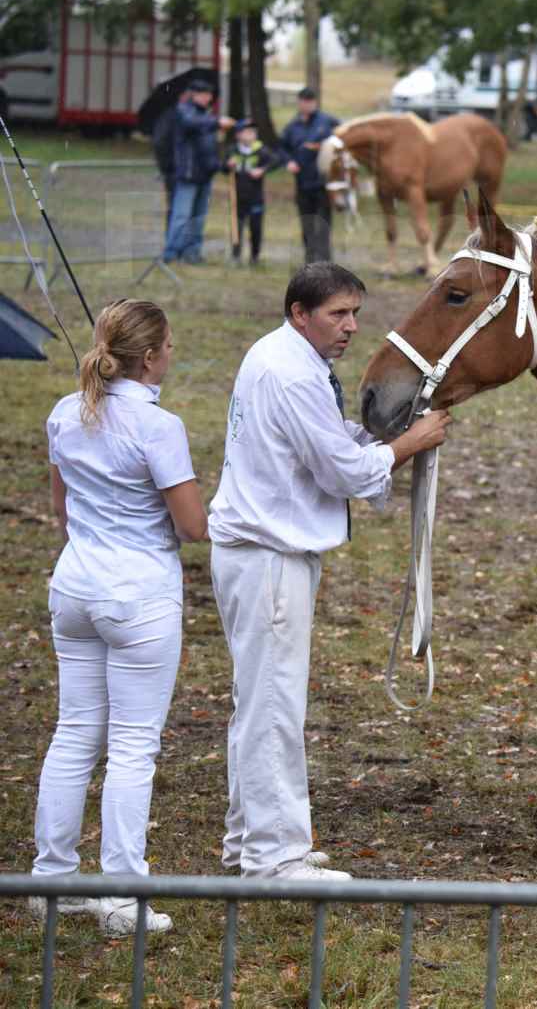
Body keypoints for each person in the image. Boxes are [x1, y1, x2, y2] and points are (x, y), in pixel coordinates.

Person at [208, 263, 451, 880]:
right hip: (269, 555)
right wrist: (409, 445)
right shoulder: (290, 372)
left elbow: (319, 442)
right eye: (338, 314)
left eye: (355, 314)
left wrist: (371, 438)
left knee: (256, 703)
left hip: (260, 551)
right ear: (299, 313)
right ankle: (274, 858)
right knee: (272, 707)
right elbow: (340, 473)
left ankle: (253, 839)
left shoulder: (282, 357)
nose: (350, 327)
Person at [32, 300, 208, 937]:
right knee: (134, 747)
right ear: (151, 356)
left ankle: (51, 879)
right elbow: (191, 526)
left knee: (74, 732)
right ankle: (121, 893)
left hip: (75, 585)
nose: (172, 355)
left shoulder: (63, 411)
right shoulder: (160, 426)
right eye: (169, 347)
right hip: (138, 595)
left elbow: (64, 509)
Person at [161, 79, 235, 265]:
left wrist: (219, 165)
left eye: (209, 95)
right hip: (188, 174)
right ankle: (171, 253)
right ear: (194, 94)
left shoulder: (207, 116)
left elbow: (209, 147)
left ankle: (192, 253)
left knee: (198, 217)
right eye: (204, 95)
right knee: (181, 215)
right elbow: (192, 123)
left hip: (205, 175)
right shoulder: (183, 111)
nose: (207, 98)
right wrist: (218, 122)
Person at [279, 88, 340, 264]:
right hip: (302, 182)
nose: (307, 105)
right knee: (306, 222)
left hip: (323, 182)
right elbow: (282, 148)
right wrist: (288, 161)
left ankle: (325, 260)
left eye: (310, 101)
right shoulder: (292, 127)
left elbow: (343, 137)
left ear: (315, 102)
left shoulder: (327, 121)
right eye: (304, 101)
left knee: (323, 222)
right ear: (299, 103)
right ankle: (310, 260)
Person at [225, 119, 280, 265]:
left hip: (255, 196)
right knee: (236, 226)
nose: (251, 135)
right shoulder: (232, 150)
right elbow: (223, 168)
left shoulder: (261, 150)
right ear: (238, 135)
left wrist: (262, 170)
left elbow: (275, 161)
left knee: (256, 227)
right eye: (247, 132)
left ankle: (255, 256)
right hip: (236, 197)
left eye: (253, 132)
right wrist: (227, 165)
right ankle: (236, 254)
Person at [151, 88, 191, 228]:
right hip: (175, 170)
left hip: (191, 171)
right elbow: (160, 142)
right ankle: (172, 242)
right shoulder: (171, 115)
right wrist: (168, 166)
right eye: (189, 93)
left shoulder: (190, 115)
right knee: (176, 208)